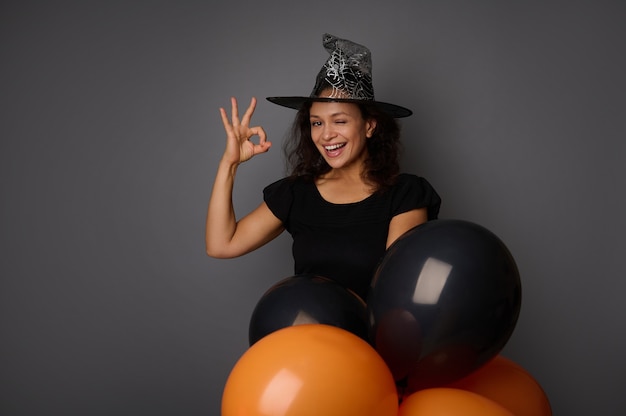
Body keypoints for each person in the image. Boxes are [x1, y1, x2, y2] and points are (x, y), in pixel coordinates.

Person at [205, 33, 441, 301]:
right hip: (306, 340)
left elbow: (397, 288)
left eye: (339, 121)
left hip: (372, 342)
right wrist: (230, 163)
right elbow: (220, 245)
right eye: (317, 123)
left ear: (369, 126)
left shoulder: (405, 195)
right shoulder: (296, 193)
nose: (325, 135)